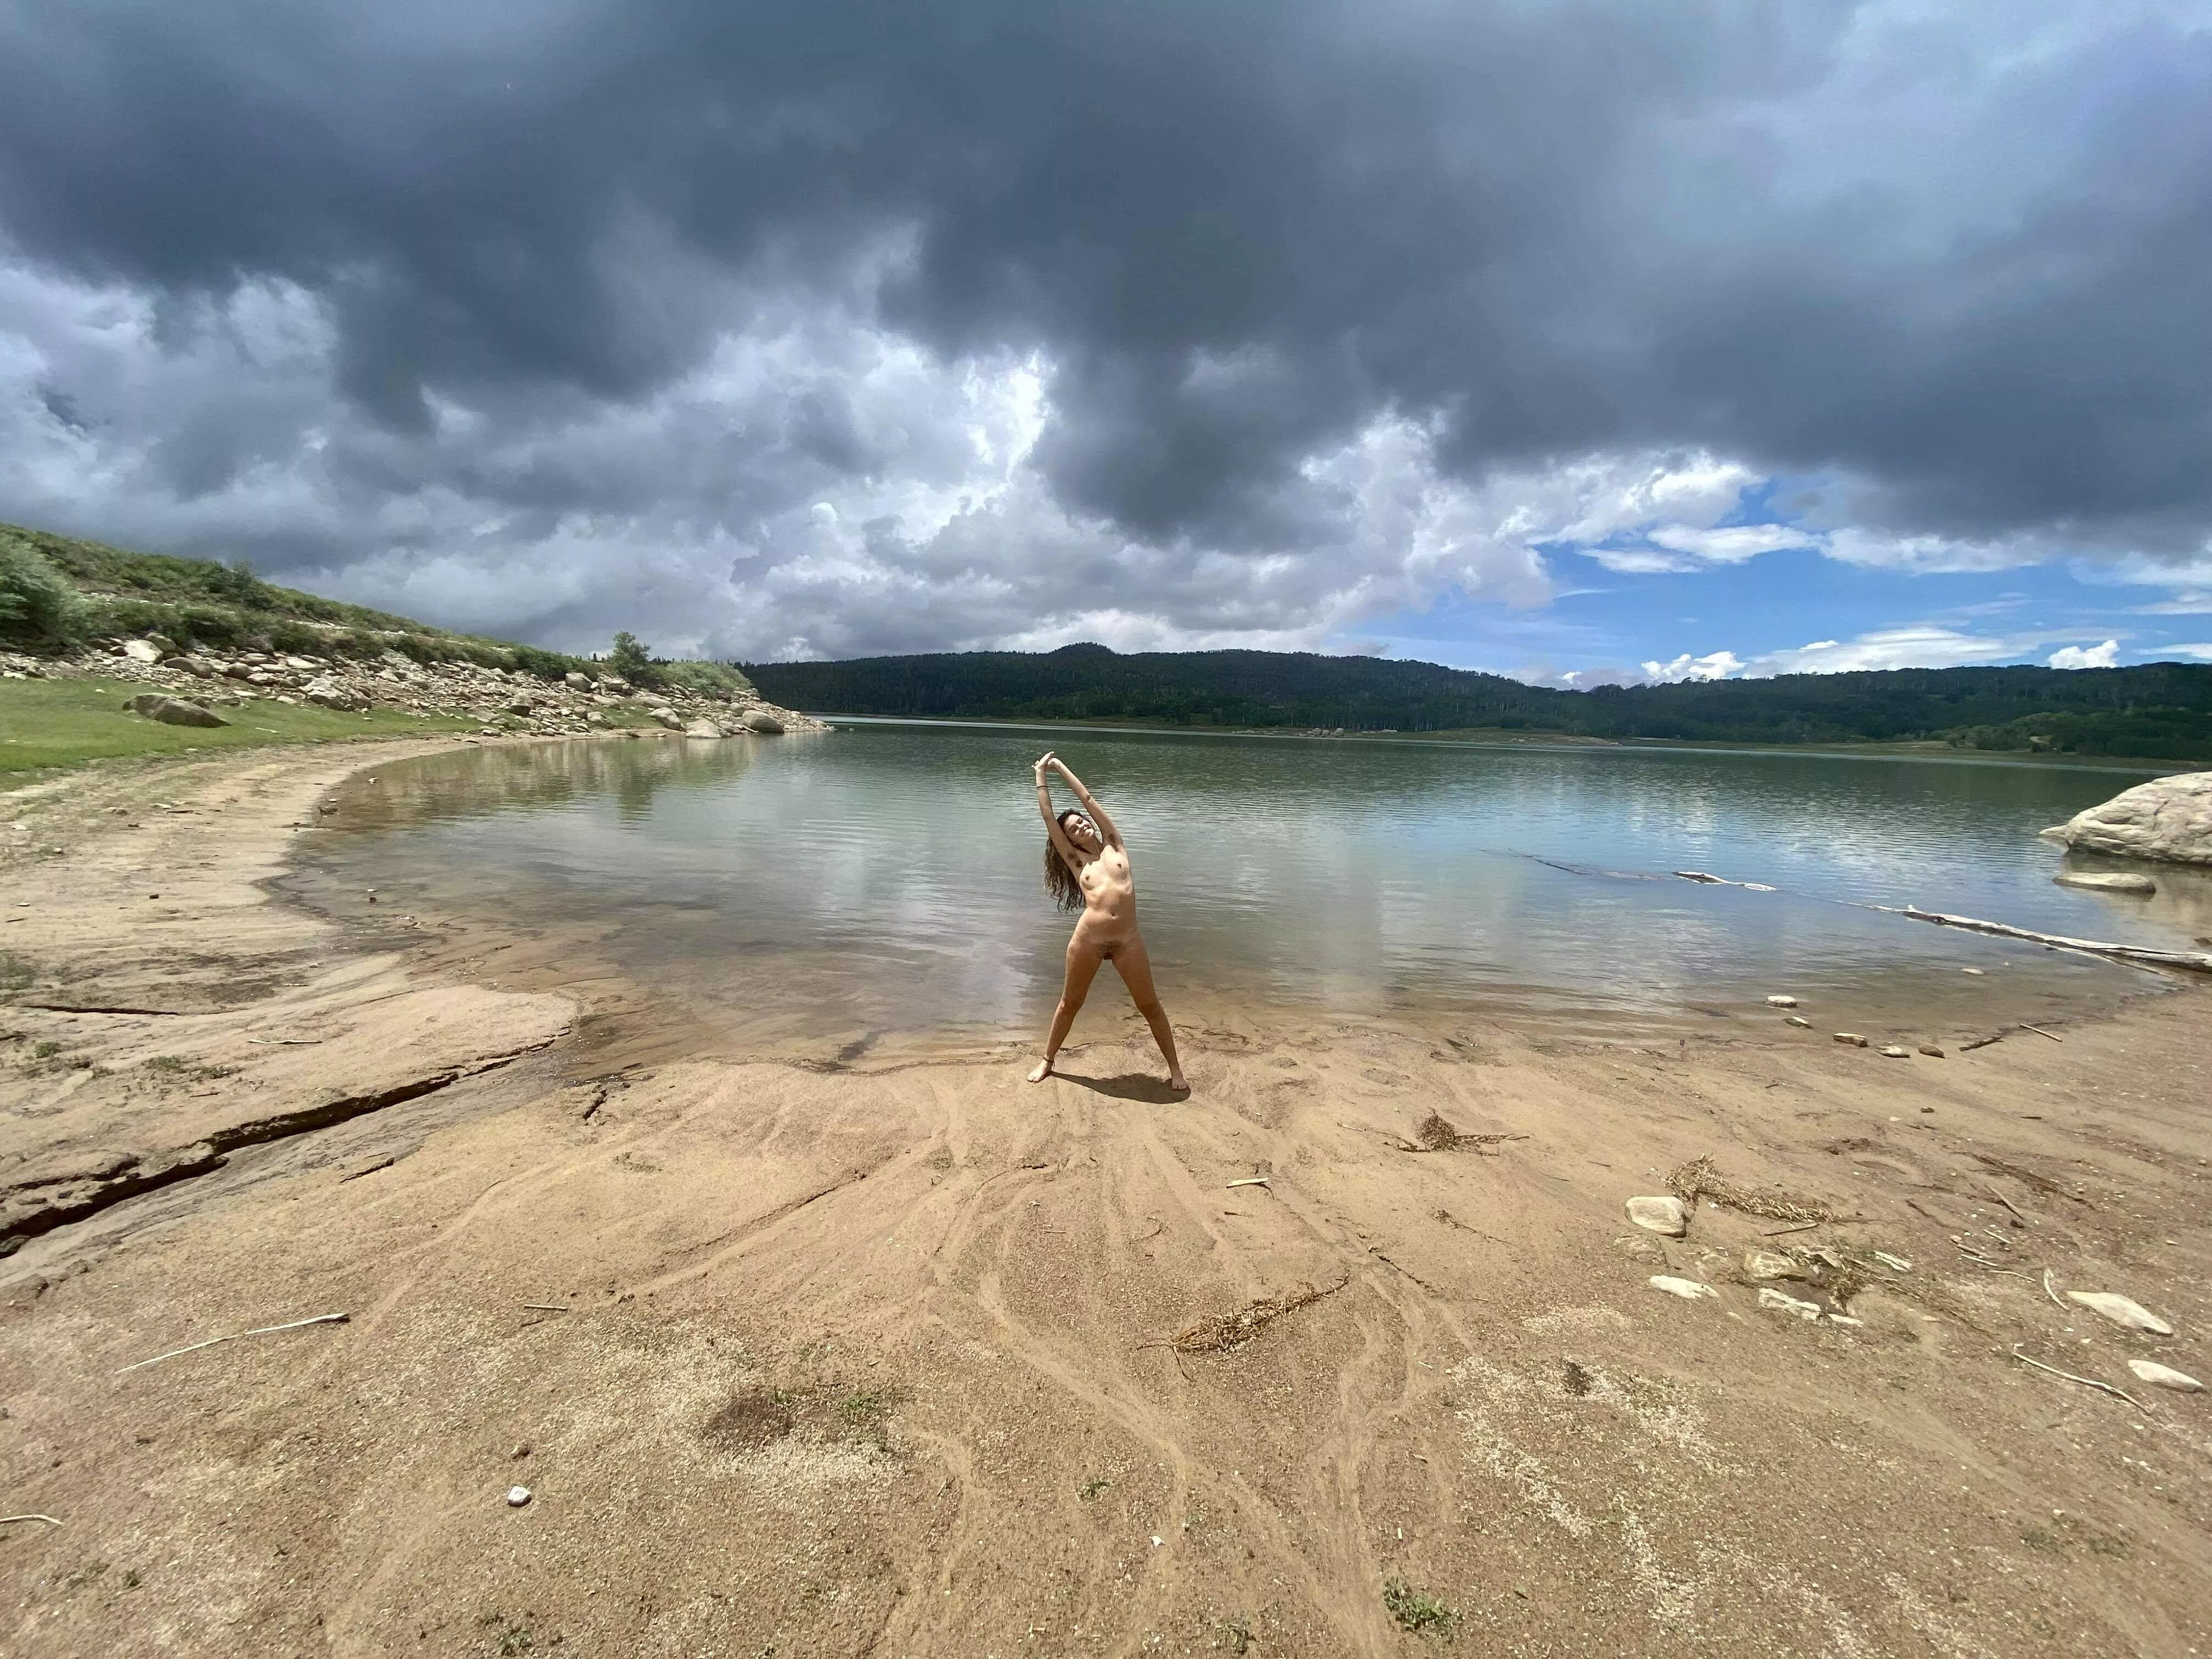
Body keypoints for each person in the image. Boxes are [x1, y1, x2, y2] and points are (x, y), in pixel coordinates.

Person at [1028, 752, 1188, 1092]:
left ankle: (1175, 1070)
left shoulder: (1114, 845)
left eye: (1083, 822)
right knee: (1070, 1003)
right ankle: (1048, 1060)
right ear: (1069, 840)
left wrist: (1060, 767)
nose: (1082, 826)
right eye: (1074, 829)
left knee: (1149, 1005)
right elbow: (1048, 820)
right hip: (1089, 940)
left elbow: (1087, 798)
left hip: (1128, 941)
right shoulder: (1076, 862)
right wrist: (1041, 776)